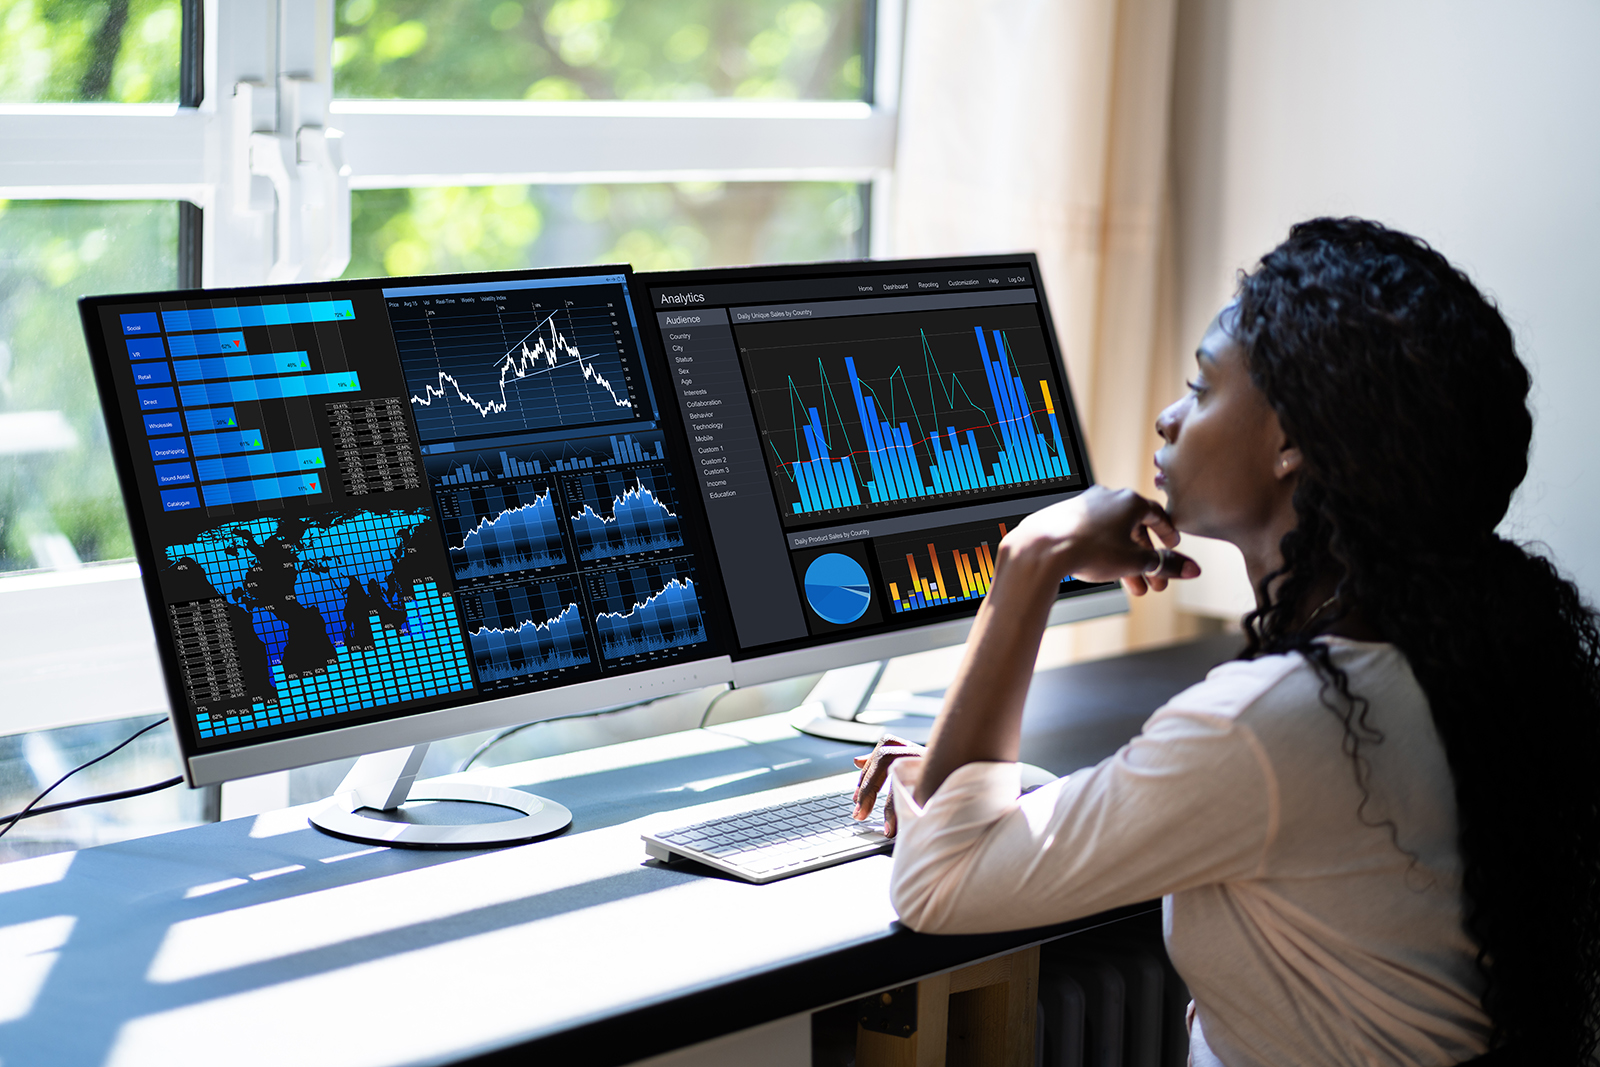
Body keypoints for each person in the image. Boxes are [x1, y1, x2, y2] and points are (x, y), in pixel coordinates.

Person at [851, 218, 1600, 1067]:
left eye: (1201, 388)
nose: (1169, 419)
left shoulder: (1268, 725)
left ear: (1292, 444)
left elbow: (935, 886)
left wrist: (1033, 554)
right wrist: (985, 786)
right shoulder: (1453, 651)